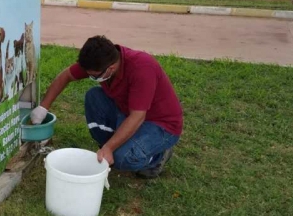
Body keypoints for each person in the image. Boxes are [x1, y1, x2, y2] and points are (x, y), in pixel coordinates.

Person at [30, 35, 183, 178]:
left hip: (160, 125)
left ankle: (158, 156)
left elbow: (137, 116)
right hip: (127, 112)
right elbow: (66, 76)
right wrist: (43, 108)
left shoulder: (142, 68)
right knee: (94, 96)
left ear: (110, 68)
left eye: (94, 75)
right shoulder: (99, 61)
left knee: (122, 159)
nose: (91, 77)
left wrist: (109, 148)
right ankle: (115, 145)